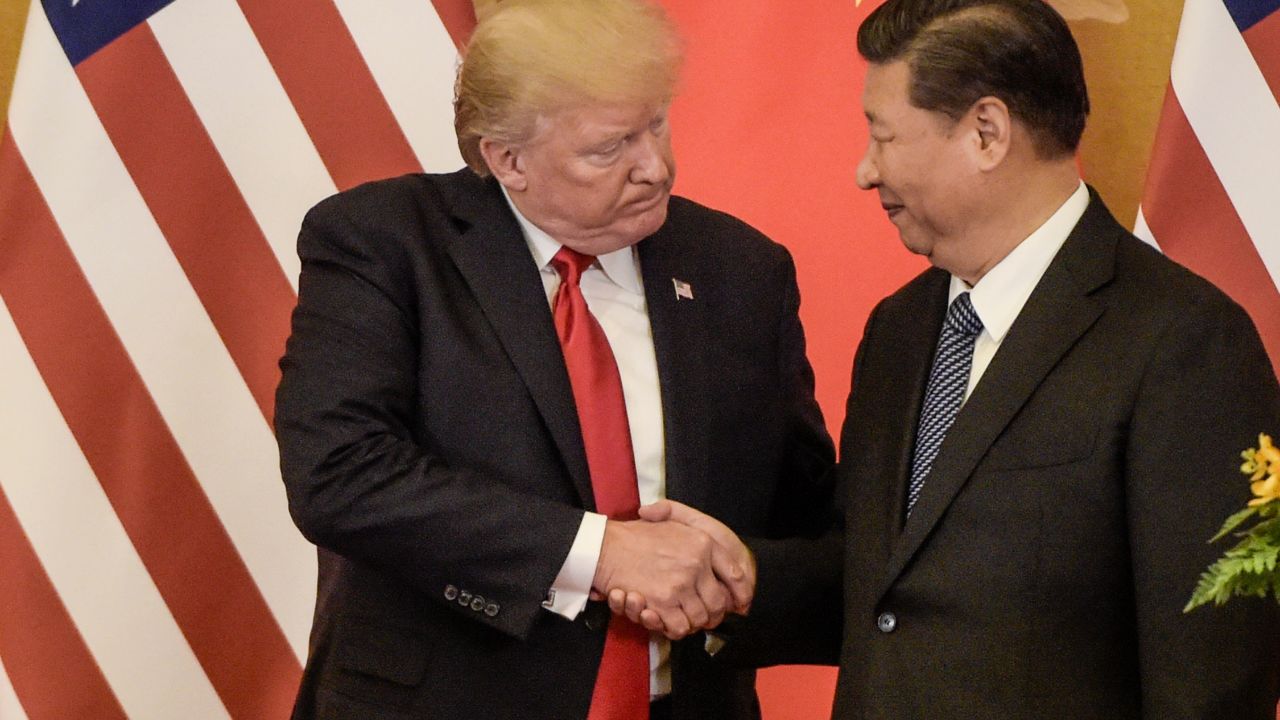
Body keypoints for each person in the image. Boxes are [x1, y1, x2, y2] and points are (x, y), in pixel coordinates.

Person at [627, 0, 1280, 717]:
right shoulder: (899, 330)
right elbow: (882, 582)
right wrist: (744, 577)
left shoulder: (1183, 342)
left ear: (987, 133)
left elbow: (1210, 675)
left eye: (883, 136)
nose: (864, 171)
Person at [272, 0, 834, 718]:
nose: (654, 167)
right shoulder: (386, 245)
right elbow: (340, 473)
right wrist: (599, 552)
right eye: (610, 147)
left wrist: (741, 574)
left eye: (656, 124)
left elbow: (808, 519)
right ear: (507, 159)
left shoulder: (740, 270)